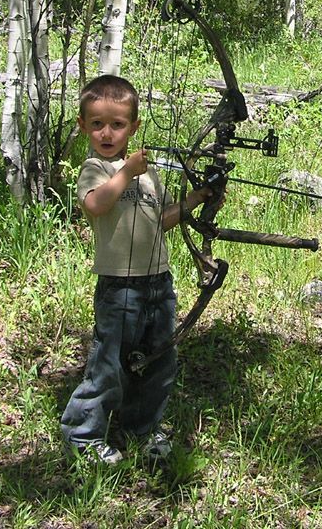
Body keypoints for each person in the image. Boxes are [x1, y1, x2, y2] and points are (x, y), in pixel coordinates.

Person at [61, 74, 210, 465]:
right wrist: (126, 171)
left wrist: (196, 200)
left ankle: (142, 428)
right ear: (83, 126)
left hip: (157, 282)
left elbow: (159, 220)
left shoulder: (148, 174)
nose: (106, 133)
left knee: (159, 360)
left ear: (134, 126)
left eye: (117, 124)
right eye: (97, 124)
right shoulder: (96, 169)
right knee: (110, 362)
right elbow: (95, 205)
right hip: (119, 288)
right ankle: (83, 433)